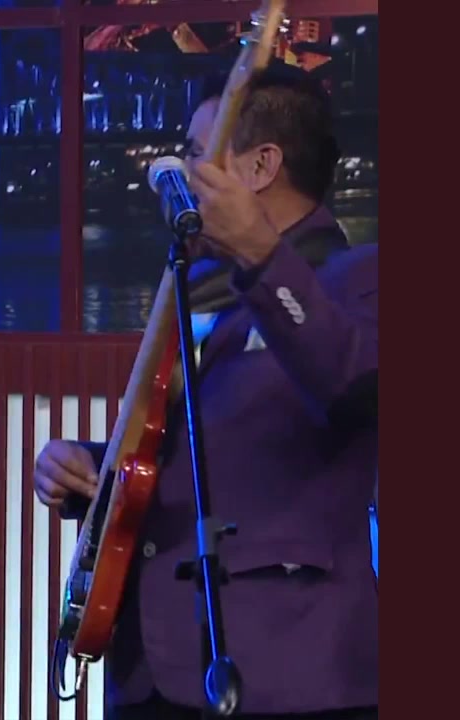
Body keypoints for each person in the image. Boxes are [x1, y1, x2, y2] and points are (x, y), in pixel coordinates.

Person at [33, 62, 378, 720]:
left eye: (198, 152)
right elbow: (196, 447)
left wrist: (261, 256)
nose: (182, 170)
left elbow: (352, 384)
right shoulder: (193, 286)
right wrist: (94, 469)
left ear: (261, 165)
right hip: (150, 670)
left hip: (286, 671)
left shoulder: (360, 279)